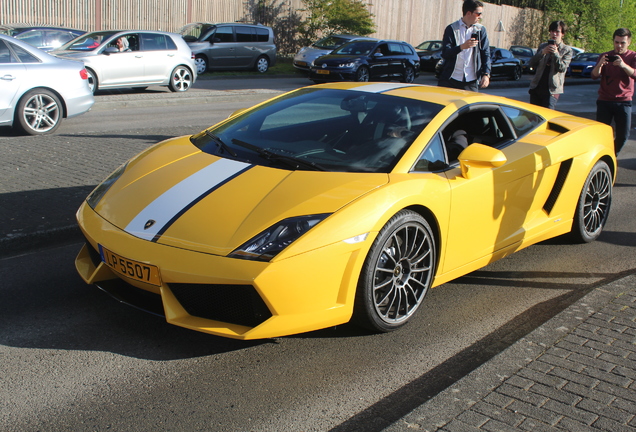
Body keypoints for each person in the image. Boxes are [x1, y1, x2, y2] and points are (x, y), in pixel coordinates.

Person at [591, 28, 636, 154]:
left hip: (624, 101)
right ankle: (602, 156)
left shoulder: (633, 56)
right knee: (601, 134)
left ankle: (612, 154)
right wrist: (600, 64)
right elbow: (594, 76)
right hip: (604, 100)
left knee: (623, 135)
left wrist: (623, 65)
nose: (619, 46)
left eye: (622, 43)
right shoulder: (605, 56)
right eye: (616, 42)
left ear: (629, 43)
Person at [438, 0, 491, 91]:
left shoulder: (480, 30)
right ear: (469, 13)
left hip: (471, 82)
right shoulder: (452, 29)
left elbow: (486, 53)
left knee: (471, 105)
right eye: (478, 14)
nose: (480, 17)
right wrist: (461, 47)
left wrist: (486, 74)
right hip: (450, 79)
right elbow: (445, 53)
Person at [528, 21, 573, 109]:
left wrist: (556, 54)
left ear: (562, 34)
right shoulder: (543, 46)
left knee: (546, 116)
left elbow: (562, 68)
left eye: (557, 32)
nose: (554, 34)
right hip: (536, 87)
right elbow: (531, 63)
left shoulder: (567, 50)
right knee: (533, 117)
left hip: (552, 90)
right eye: (552, 31)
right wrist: (542, 53)